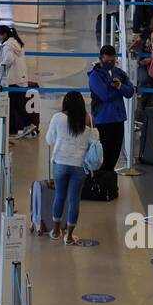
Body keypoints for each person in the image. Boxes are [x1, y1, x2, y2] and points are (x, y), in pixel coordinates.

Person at [44, 91, 98, 244]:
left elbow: (49, 139)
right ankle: (69, 236)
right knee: (74, 200)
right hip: (79, 166)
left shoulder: (57, 118)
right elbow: (94, 140)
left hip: (60, 163)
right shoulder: (88, 119)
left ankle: (55, 231)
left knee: (59, 196)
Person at [86, 45, 133, 174]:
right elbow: (105, 95)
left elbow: (130, 92)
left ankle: (109, 183)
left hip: (119, 119)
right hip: (104, 120)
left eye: (113, 61)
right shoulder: (95, 76)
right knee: (104, 157)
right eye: (107, 61)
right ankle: (101, 183)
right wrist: (119, 90)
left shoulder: (119, 73)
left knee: (114, 155)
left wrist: (119, 86)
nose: (110, 63)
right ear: (100, 59)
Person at [0, 25, 34, 139]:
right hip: (21, 78)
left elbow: (8, 59)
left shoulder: (8, 46)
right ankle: (26, 125)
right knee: (18, 105)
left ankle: (16, 129)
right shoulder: (16, 43)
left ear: (4, 34)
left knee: (13, 107)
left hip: (13, 80)